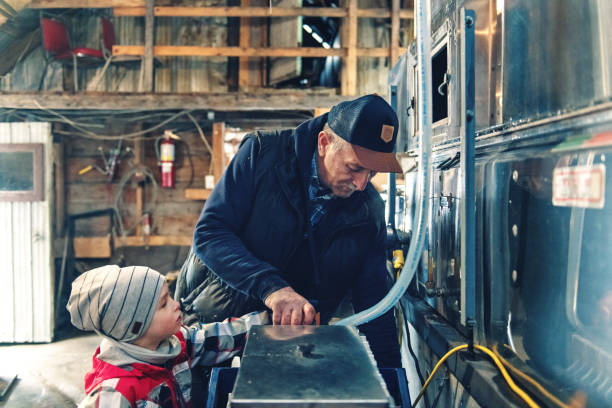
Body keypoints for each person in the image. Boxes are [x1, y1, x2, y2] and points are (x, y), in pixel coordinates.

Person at [176, 94, 403, 368]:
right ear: (324, 143)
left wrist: (392, 380)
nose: (362, 183)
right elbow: (210, 233)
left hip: (288, 350)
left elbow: (374, 303)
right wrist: (273, 289)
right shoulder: (262, 154)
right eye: (355, 168)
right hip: (215, 330)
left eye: (372, 173)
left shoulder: (369, 212)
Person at [66, 265, 268, 407]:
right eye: (164, 303)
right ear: (136, 326)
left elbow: (222, 337)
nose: (176, 304)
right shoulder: (114, 393)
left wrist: (269, 318)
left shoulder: (176, 343)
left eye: (169, 296)